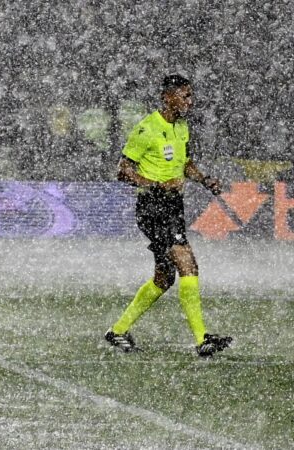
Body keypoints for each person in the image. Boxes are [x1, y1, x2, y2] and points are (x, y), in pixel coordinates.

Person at [105, 74, 232, 357]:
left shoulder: (182, 126)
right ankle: (202, 340)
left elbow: (185, 163)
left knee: (164, 279)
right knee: (188, 265)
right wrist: (156, 185)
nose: (190, 101)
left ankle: (118, 330)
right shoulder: (147, 128)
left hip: (173, 206)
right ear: (167, 97)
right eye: (185, 96)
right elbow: (123, 171)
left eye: (190, 95)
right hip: (153, 207)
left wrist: (204, 179)